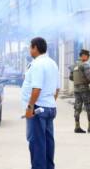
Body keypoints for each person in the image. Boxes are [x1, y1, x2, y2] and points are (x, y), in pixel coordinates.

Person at [22, 37, 59, 169]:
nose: (29, 50)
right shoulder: (52, 63)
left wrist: (30, 107)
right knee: (48, 142)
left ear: (35, 48)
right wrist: (49, 103)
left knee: (37, 143)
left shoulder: (37, 64)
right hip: (49, 107)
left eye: (30, 47)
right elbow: (57, 89)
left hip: (38, 108)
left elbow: (36, 88)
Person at [71, 49, 90, 133]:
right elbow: (89, 78)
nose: (88, 58)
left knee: (77, 107)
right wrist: (87, 81)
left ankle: (77, 126)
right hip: (84, 89)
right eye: (87, 56)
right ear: (83, 56)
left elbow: (71, 77)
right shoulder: (84, 65)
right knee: (89, 107)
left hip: (76, 89)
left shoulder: (74, 65)